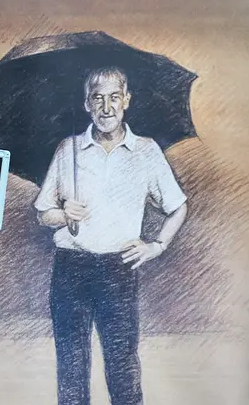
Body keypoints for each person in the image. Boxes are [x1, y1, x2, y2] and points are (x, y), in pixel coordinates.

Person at [33, 66, 188, 405]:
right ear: (87, 104)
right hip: (70, 269)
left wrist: (157, 246)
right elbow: (44, 214)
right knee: (71, 369)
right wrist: (63, 213)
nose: (106, 107)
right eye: (97, 99)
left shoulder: (146, 151)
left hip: (118, 271)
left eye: (114, 97)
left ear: (126, 100)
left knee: (123, 368)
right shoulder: (68, 149)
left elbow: (178, 207)